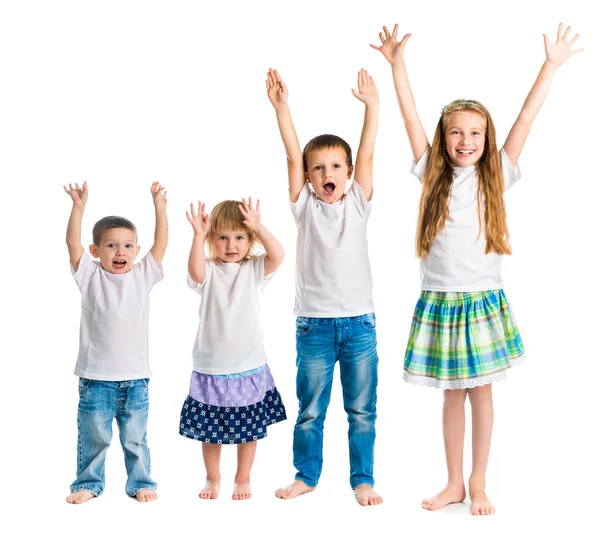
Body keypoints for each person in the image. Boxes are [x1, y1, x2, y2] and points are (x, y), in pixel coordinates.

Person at [372, 22, 582, 515]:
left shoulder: (496, 176)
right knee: (451, 396)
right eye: (456, 133)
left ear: (486, 137)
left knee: (481, 393)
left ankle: (479, 480)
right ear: (444, 137)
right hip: (442, 301)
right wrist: (398, 66)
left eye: (475, 133)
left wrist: (550, 65)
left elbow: (526, 121)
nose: (465, 141)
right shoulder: (431, 175)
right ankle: (453, 483)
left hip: (482, 301)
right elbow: (408, 119)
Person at [267, 68, 383, 506]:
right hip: (313, 325)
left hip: (359, 325)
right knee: (310, 410)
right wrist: (282, 109)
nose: (326, 173)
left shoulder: (357, 201)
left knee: (361, 411)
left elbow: (368, 155)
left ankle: (363, 480)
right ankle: (306, 476)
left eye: (335, 166)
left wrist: (372, 108)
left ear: (349, 173)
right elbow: (292, 154)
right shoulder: (304, 207)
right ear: (310, 179)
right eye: (318, 169)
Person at [64, 180, 168, 504]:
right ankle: (88, 483)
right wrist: (78, 208)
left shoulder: (142, 274)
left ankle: (141, 482)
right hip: (96, 378)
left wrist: (159, 208)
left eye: (127, 246)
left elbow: (161, 245)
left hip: (136, 378)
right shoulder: (90, 275)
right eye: (111, 246)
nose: (120, 252)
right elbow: (72, 245)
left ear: (137, 251)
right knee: (94, 437)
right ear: (96, 251)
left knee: (136, 438)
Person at [179, 197, 286, 500]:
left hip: (247, 366)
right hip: (211, 369)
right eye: (222, 237)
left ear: (250, 240)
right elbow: (196, 273)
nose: (231, 244)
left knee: (248, 430)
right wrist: (198, 236)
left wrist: (258, 226)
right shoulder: (209, 270)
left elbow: (278, 255)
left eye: (239, 237)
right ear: (212, 241)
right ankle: (213, 478)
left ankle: (243, 477)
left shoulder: (253, 269)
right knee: (209, 432)